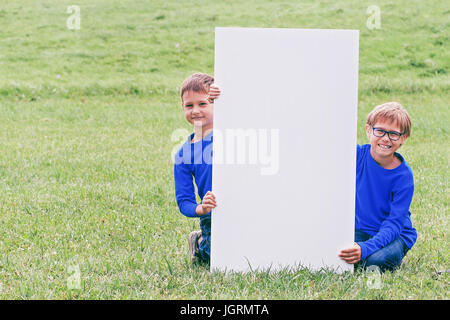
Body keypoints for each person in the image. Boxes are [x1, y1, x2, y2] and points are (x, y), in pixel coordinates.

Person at [339, 102, 417, 273]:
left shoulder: (403, 176)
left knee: (375, 262)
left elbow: (395, 223)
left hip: (395, 235)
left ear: (403, 138)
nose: (386, 138)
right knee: (338, 252)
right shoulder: (357, 156)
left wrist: (365, 249)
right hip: (361, 230)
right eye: (380, 131)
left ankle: (390, 255)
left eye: (394, 134)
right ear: (368, 130)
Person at [174, 73, 220, 265]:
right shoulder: (182, 155)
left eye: (203, 103)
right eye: (189, 105)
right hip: (212, 216)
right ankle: (200, 242)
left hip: (245, 207)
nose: (196, 111)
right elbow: (184, 201)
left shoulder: (231, 134)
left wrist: (227, 97)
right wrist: (202, 208)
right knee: (217, 258)